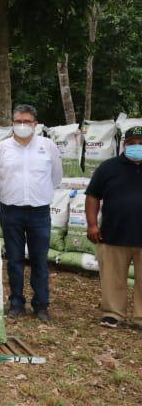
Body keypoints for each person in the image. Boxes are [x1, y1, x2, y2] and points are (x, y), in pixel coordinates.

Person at [0, 104, 62, 323]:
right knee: (14, 259)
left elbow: (56, 177)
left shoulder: (47, 146)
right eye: (18, 121)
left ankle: (41, 305)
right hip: (11, 211)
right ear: (12, 123)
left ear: (35, 124)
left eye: (27, 122)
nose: (22, 126)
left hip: (39, 212)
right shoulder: (1, 148)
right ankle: (16, 303)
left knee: (40, 260)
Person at [86, 125, 142, 329]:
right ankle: (113, 313)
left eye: (141, 144)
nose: (137, 147)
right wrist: (92, 225)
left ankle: (140, 317)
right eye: (132, 144)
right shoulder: (108, 168)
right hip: (113, 234)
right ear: (124, 145)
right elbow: (92, 196)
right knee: (112, 277)